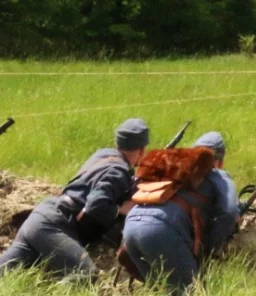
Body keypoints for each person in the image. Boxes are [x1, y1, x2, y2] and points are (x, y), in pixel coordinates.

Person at [0, 118, 149, 281]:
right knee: (85, 275)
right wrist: (121, 209)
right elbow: (96, 205)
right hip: (56, 224)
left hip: (41, 217)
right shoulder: (118, 171)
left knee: (5, 271)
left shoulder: (104, 155)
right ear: (141, 150)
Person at [120, 132, 241, 295]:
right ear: (219, 161)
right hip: (161, 231)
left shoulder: (175, 171)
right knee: (191, 292)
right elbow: (229, 212)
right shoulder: (217, 174)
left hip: (131, 229)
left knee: (163, 291)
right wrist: (210, 247)